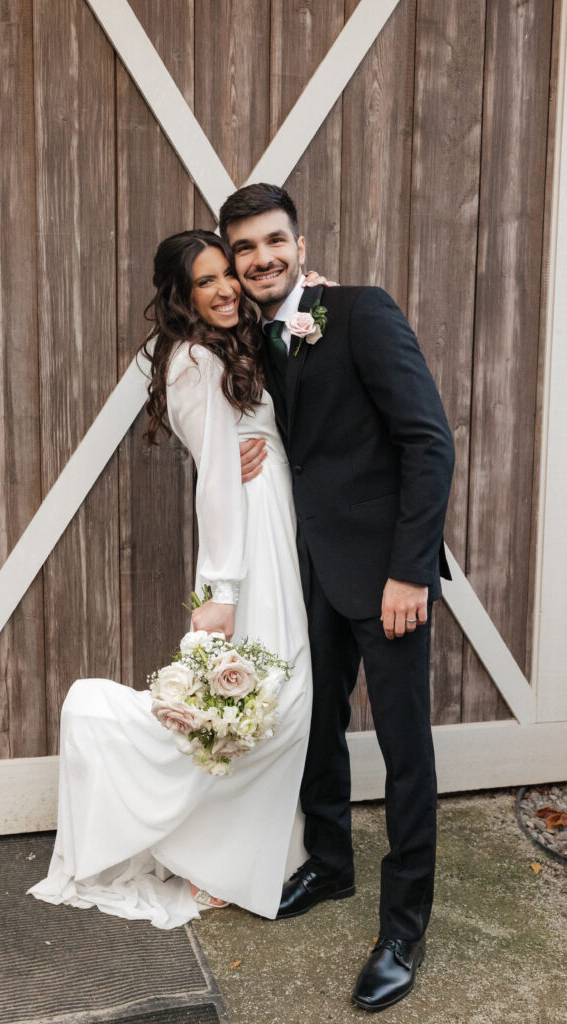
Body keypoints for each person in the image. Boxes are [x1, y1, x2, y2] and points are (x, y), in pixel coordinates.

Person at [28, 229, 317, 928]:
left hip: (273, 523)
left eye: (227, 275)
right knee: (270, 702)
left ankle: (238, 852)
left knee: (275, 701)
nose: (223, 290)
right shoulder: (191, 359)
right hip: (247, 539)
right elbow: (217, 480)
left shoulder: (227, 347)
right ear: (181, 297)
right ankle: (118, 742)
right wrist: (221, 593)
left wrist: (312, 298)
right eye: (205, 283)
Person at [220, 183, 455, 1012]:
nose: (261, 259)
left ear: (298, 241)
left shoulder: (358, 310)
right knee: (315, 723)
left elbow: (427, 442)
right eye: (245, 248)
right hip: (309, 566)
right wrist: (249, 449)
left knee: (402, 751)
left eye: (272, 241)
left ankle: (403, 927)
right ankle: (329, 863)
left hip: (387, 574)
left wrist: (410, 571)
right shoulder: (254, 338)